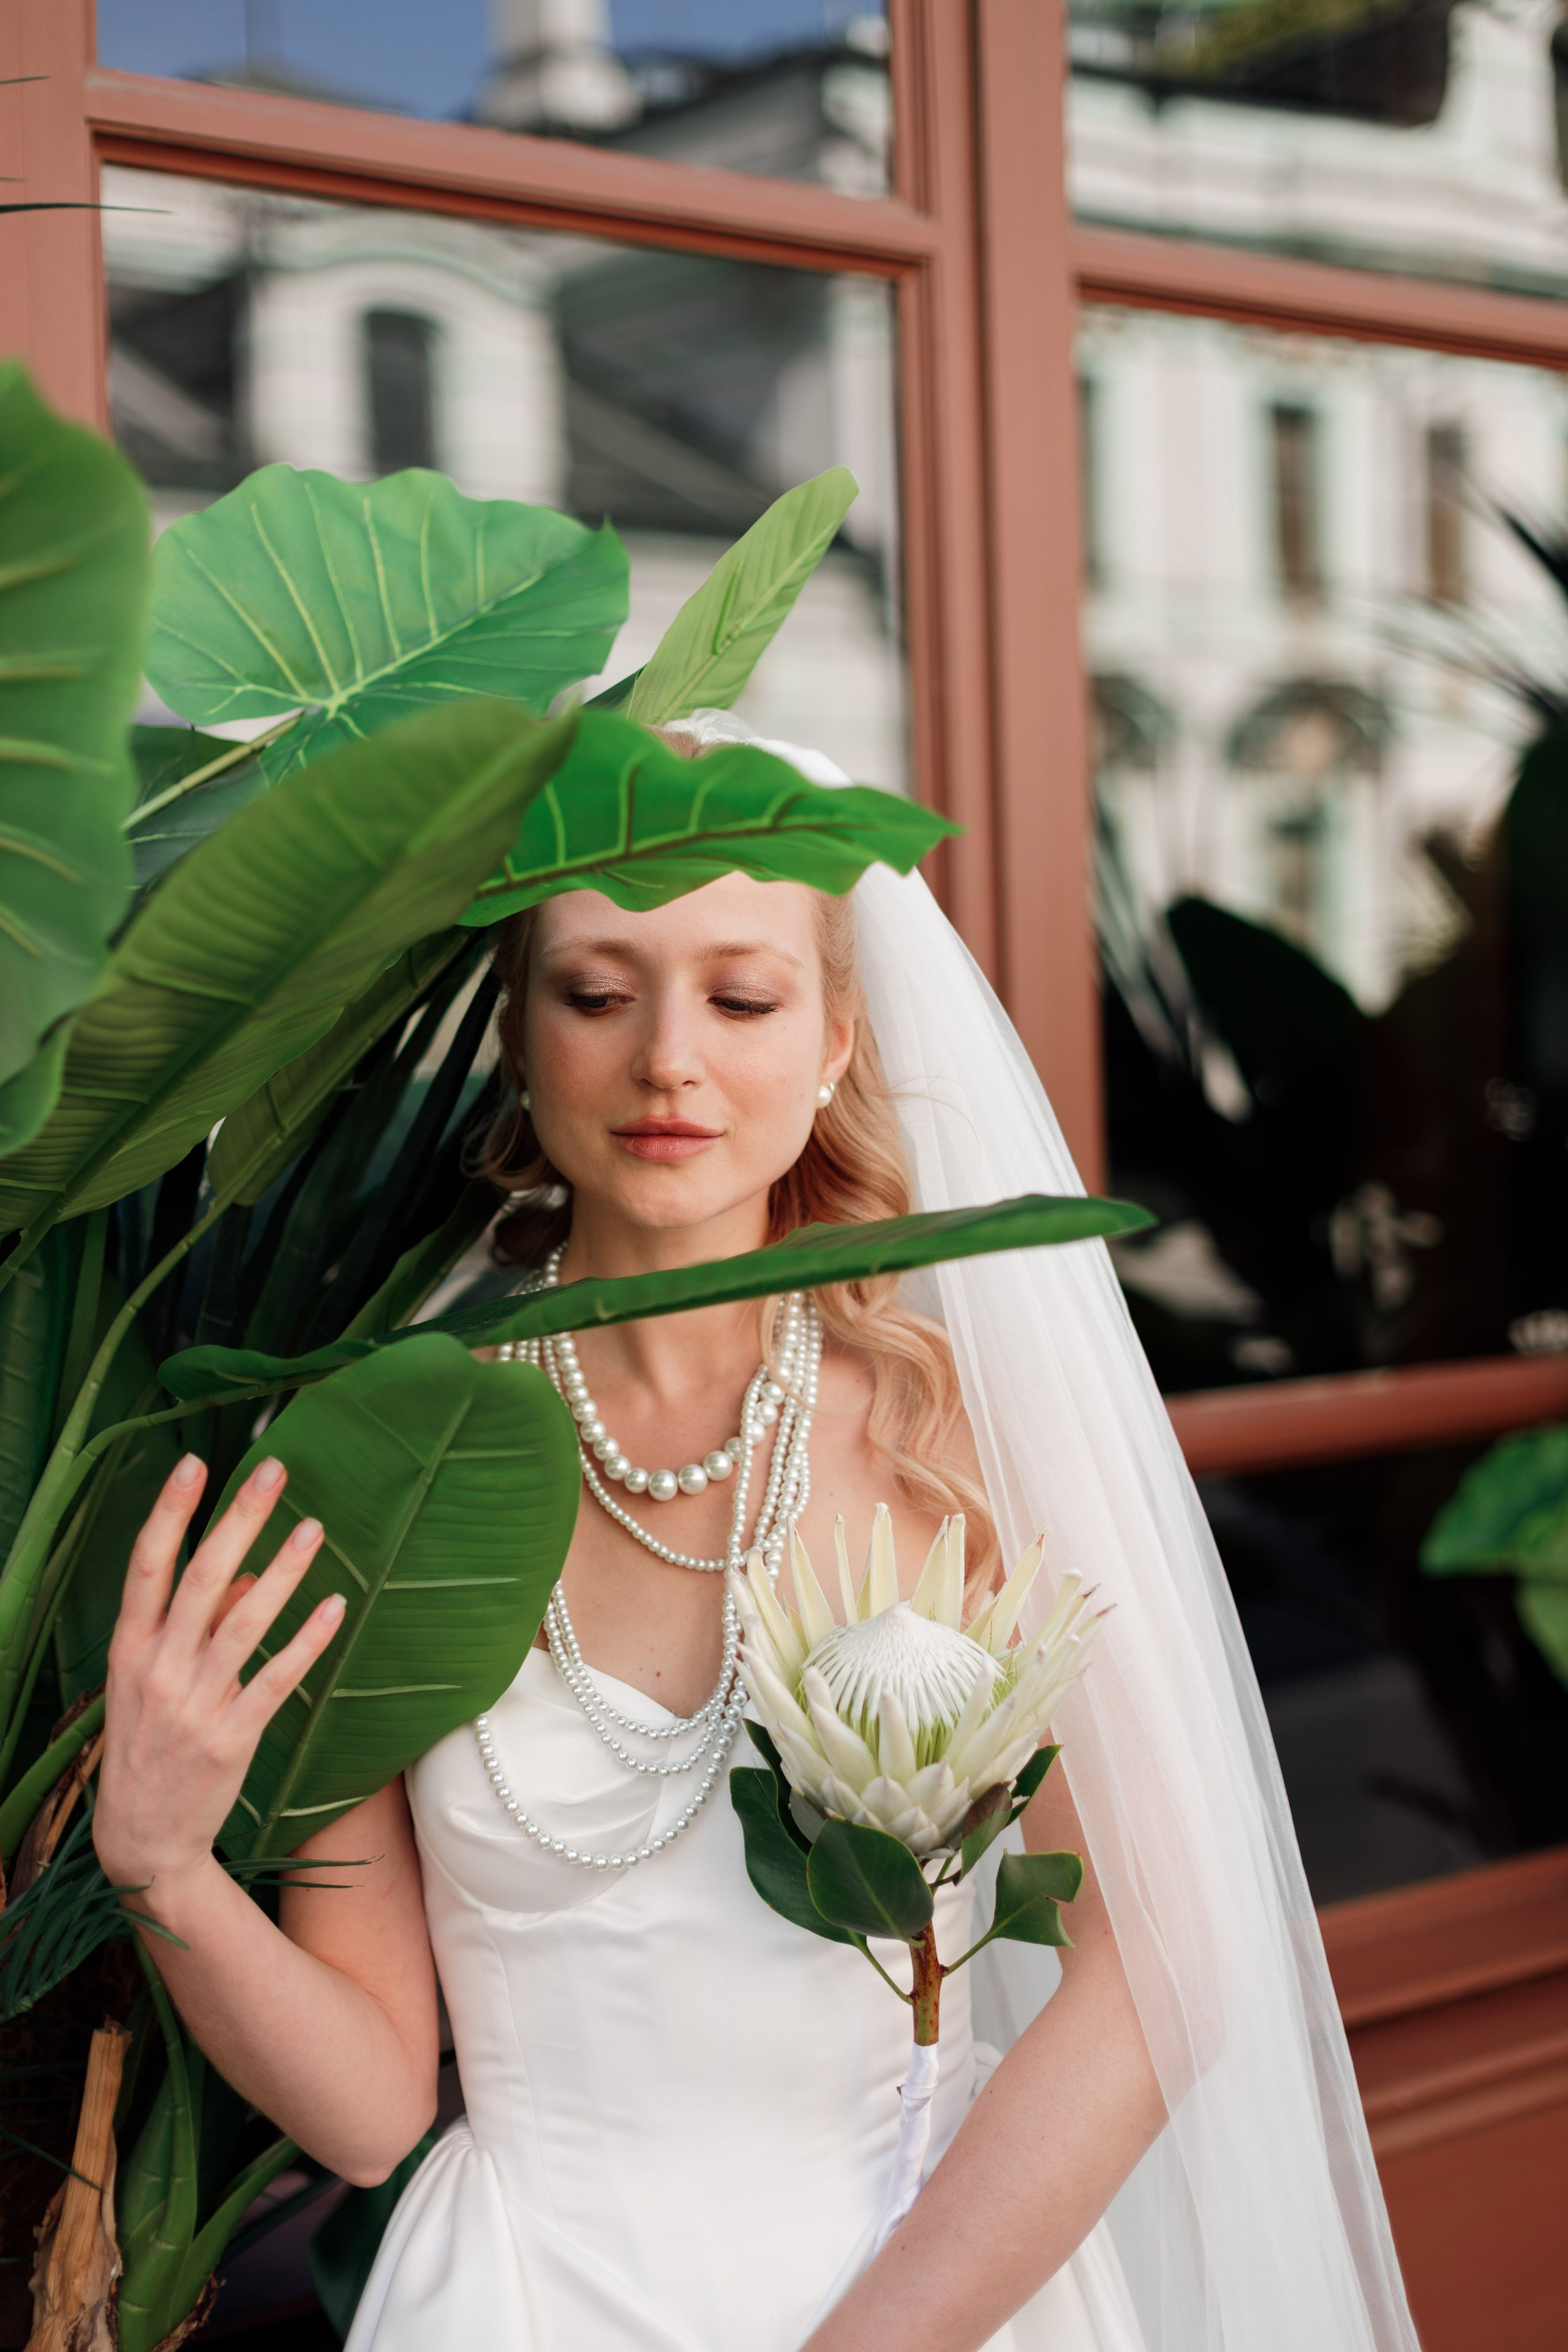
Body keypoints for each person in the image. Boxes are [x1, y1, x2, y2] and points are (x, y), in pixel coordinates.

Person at [93, 716, 1419, 2352]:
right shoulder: (390, 1468)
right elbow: (370, 2108)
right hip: (521, 2307)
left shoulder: (956, 1439)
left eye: (741, 994)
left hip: (926, 2296)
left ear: (836, 1031)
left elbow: (1161, 1972)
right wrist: (166, 1871)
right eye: (596, 991)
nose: (669, 1060)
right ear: (518, 1031)